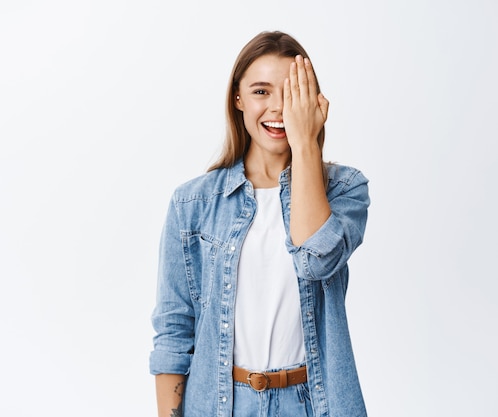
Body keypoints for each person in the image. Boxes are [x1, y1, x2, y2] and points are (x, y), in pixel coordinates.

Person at [149, 30, 370, 417]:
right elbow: (174, 330)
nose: (278, 109)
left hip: (312, 402)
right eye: (261, 92)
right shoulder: (193, 204)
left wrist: (305, 143)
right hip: (221, 403)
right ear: (238, 98)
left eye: (291, 94)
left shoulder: (345, 190)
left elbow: (314, 258)